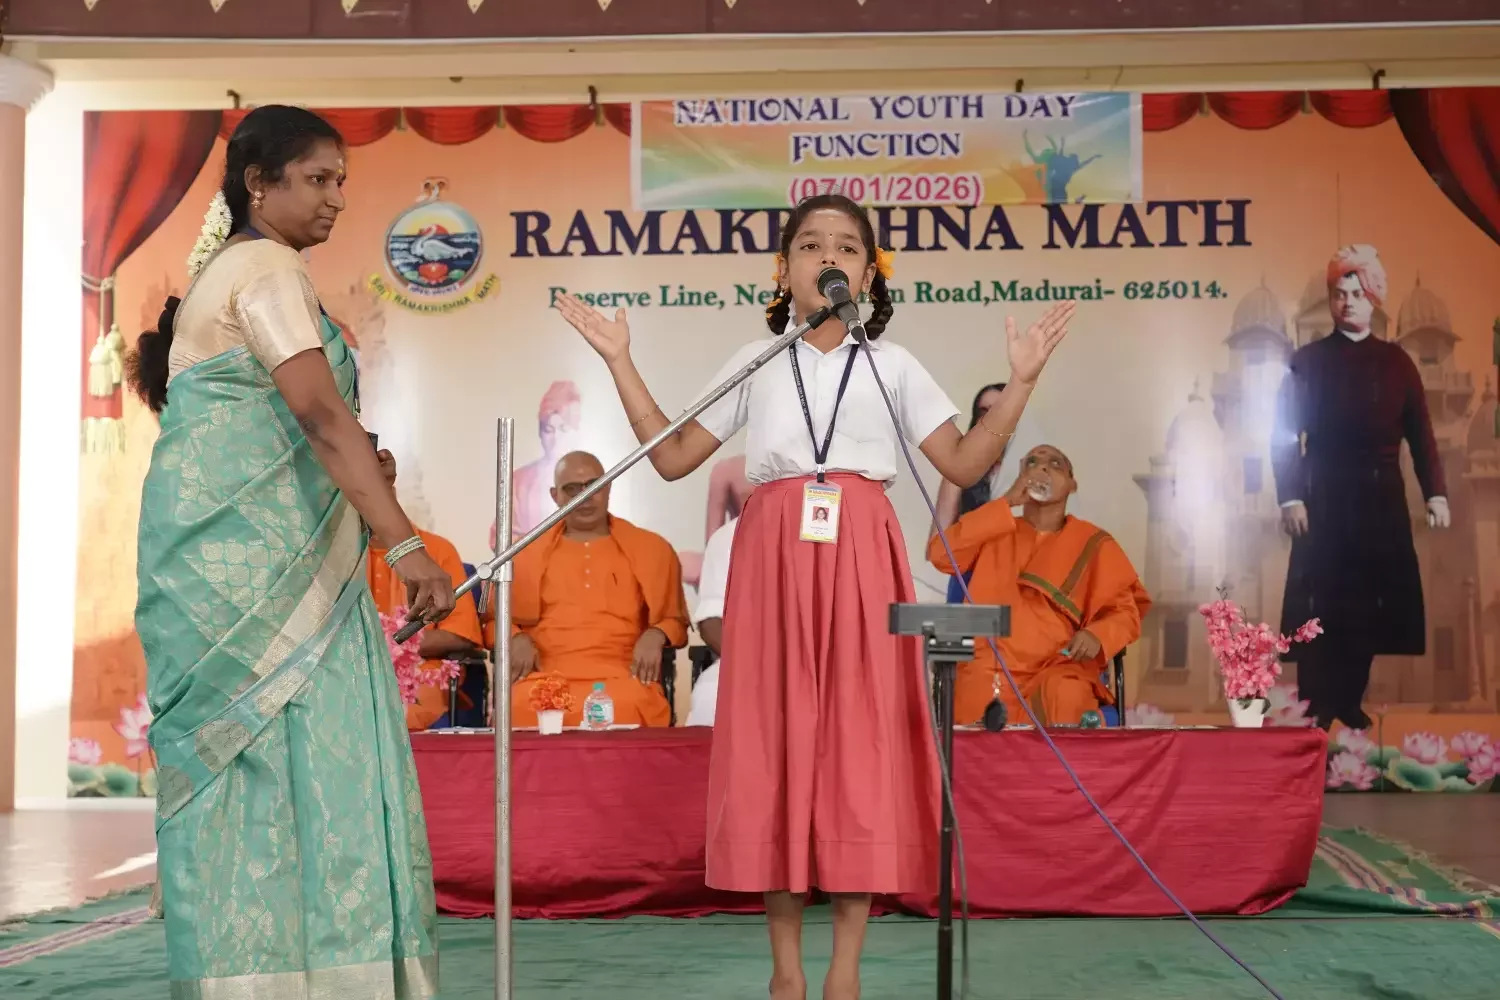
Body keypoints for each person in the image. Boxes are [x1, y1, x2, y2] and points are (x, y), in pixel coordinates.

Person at [555, 193, 1072, 1000]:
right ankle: (787, 972)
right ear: (784, 268)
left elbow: (966, 464)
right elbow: (674, 458)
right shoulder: (755, 361)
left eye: (847, 246)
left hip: (862, 550)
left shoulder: (892, 365)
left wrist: (1022, 381)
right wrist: (620, 360)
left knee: (858, 742)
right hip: (772, 557)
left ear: (868, 273)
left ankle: (845, 973)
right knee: (777, 740)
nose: (828, 255)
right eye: (810, 244)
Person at [128, 106, 452, 998]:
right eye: (317, 179)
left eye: (341, 180)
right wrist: (407, 545)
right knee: (310, 773)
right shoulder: (264, 267)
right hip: (260, 582)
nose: (337, 197)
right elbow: (317, 415)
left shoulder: (239, 271)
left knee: (269, 779)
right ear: (256, 184)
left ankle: (252, 977)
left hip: (239, 570)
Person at [1272, 244, 1448, 730]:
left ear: (1373, 299)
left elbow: (1421, 433)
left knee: (1369, 607)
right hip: (1322, 499)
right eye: (1338, 294)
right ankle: (1315, 707)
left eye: (1356, 293)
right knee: (1320, 606)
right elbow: (1283, 434)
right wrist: (1291, 496)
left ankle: (1349, 699)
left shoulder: (1398, 363)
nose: (1346, 302)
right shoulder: (1307, 361)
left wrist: (1435, 492)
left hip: (1380, 500)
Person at [927, 445, 1150, 726]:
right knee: (977, 704)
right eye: (1032, 462)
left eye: (1055, 464)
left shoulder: (1094, 543)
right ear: (1020, 477)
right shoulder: (995, 526)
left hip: (1058, 665)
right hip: (991, 666)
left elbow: (1125, 612)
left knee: (1066, 693)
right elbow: (940, 554)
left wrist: (1097, 634)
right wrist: (1006, 502)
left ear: (1072, 485)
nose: (1042, 467)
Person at [509, 450, 689, 727]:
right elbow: (495, 621)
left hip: (623, 676)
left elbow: (674, 620)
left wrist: (657, 634)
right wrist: (515, 637)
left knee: (633, 702)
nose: (585, 497)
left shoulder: (652, 549)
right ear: (555, 495)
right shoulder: (524, 554)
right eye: (572, 489)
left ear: (608, 487)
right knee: (521, 703)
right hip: (545, 677)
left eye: (594, 485)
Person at [371, 451, 484, 731]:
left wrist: (388, 647)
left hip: (420, 673)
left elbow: (459, 635)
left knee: (404, 710)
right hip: (346, 672)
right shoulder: (328, 556)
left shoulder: (438, 550)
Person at [933, 382, 1046, 602]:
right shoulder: (960, 470)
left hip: (1023, 578)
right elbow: (938, 545)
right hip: (970, 576)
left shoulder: (1039, 471)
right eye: (983, 412)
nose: (990, 419)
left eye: (998, 411)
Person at [686, 515, 738, 727]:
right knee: (711, 697)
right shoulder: (730, 535)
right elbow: (711, 620)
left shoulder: (834, 524)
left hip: (831, 667)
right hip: (749, 664)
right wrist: (757, 667)